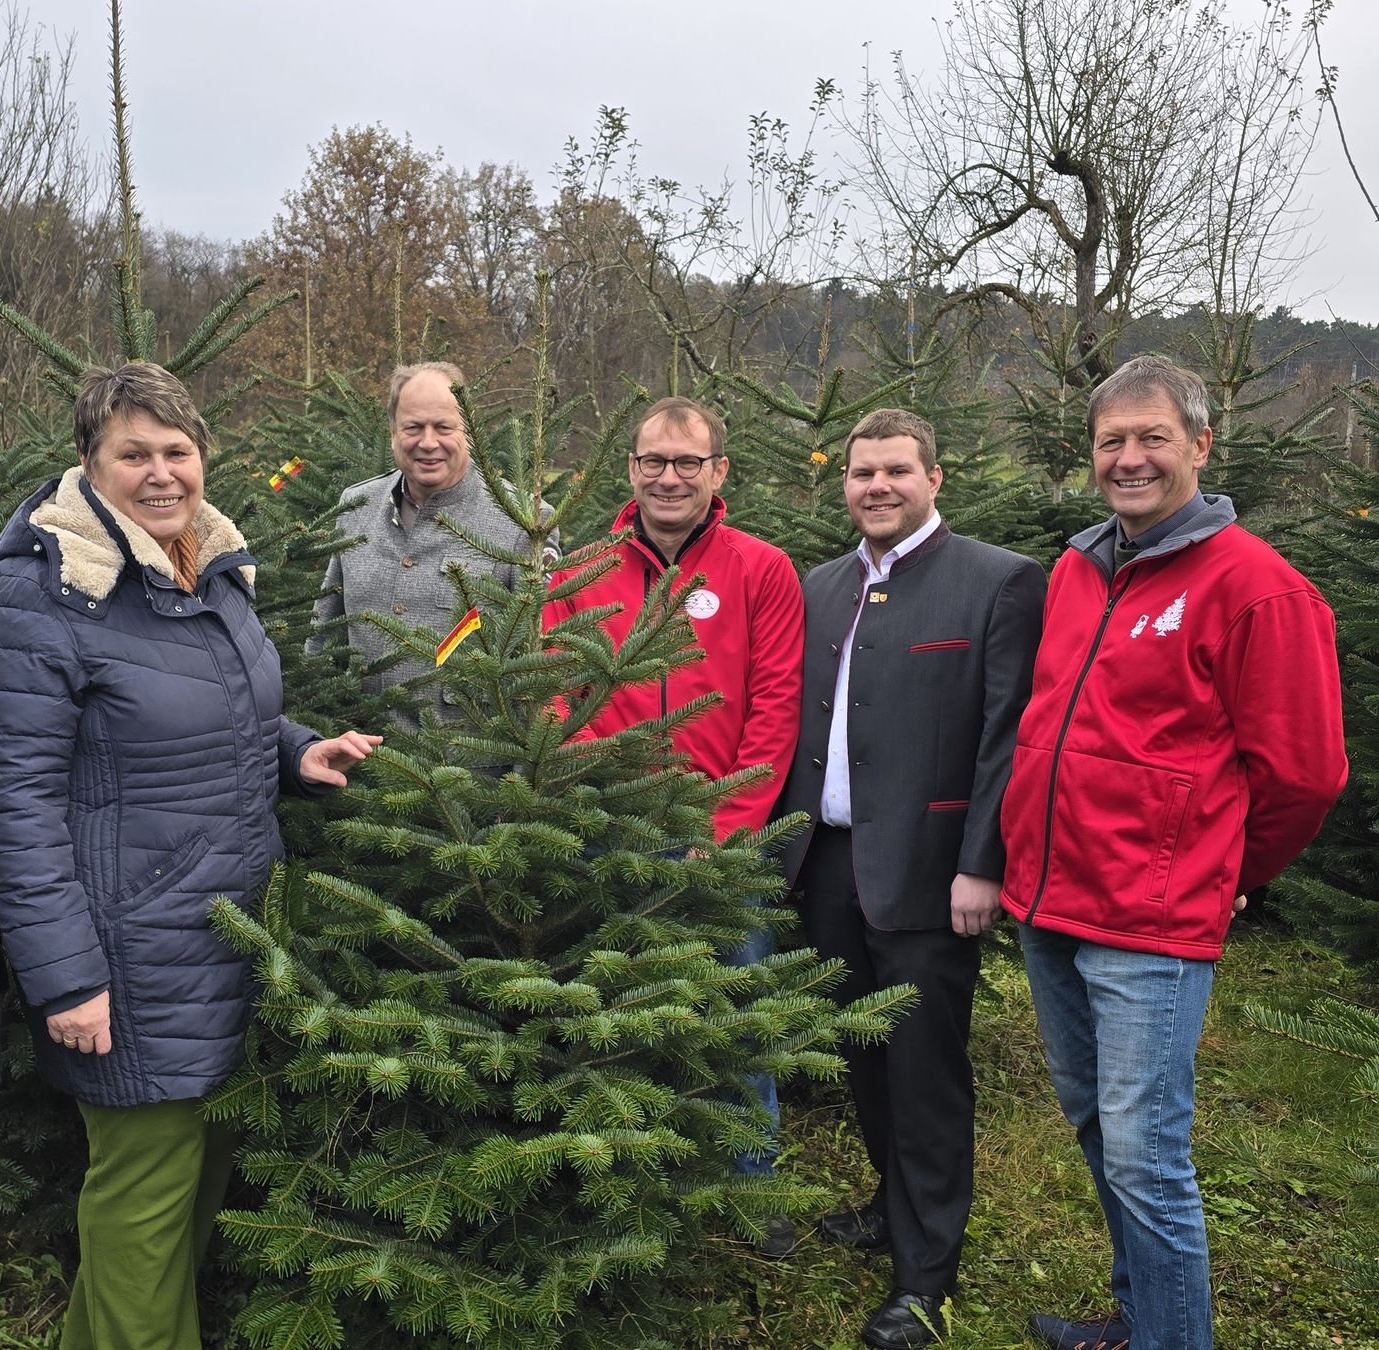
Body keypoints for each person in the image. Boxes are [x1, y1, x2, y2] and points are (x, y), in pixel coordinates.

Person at [0, 362, 380, 1350]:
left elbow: (217, 712)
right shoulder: (42, 597)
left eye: (176, 451)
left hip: (228, 936)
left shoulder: (208, 563)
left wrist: (295, 751)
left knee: (186, 1203)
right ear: (87, 464)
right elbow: (14, 805)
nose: (161, 473)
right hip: (130, 955)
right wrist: (65, 976)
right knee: (143, 1212)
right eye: (133, 454)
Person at [999, 355, 1346, 1350]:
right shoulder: (1080, 567)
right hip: (1051, 902)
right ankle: (1139, 1321)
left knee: (1149, 1155)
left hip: (1149, 923)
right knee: (1103, 1132)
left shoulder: (1257, 588)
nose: (1130, 458)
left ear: (1200, 443)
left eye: (1153, 438)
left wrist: (1224, 874)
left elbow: (1307, 773)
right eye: (1112, 441)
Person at [775, 409, 1045, 1347]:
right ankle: (892, 1206)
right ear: (843, 484)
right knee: (861, 1051)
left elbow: (1005, 739)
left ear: (935, 478)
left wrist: (982, 866)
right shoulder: (820, 586)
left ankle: (924, 1278)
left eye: (895, 470)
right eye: (861, 473)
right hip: (831, 862)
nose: (876, 486)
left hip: (933, 875)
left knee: (926, 1071)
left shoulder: (997, 582)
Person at [541, 395, 804, 1252]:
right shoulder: (579, 571)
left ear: (719, 472)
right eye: (653, 460)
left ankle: (749, 1177)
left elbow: (773, 708)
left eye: (688, 462)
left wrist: (725, 825)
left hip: (716, 832)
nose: (668, 477)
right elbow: (553, 688)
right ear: (630, 469)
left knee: (735, 1004)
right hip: (605, 823)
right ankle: (620, 1175)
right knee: (607, 1002)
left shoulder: (761, 570)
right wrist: (592, 787)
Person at [311, 361, 550, 702]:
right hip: (362, 747)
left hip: (467, 753)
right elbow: (322, 635)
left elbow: (541, 667)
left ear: (468, 430)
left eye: (443, 427)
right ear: (393, 432)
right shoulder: (356, 508)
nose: (427, 442)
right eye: (413, 427)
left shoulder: (523, 520)